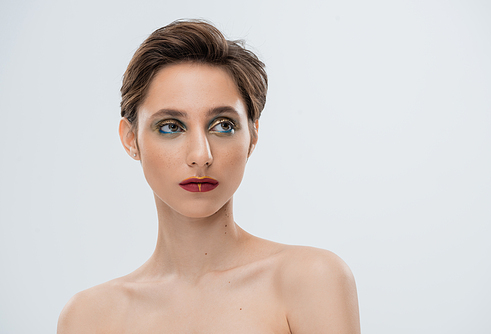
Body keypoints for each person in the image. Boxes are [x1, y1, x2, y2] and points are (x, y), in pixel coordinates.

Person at [57, 19, 360, 333]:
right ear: (131, 139)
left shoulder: (312, 279)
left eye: (223, 125)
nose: (201, 155)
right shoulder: (88, 317)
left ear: (253, 137)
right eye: (171, 126)